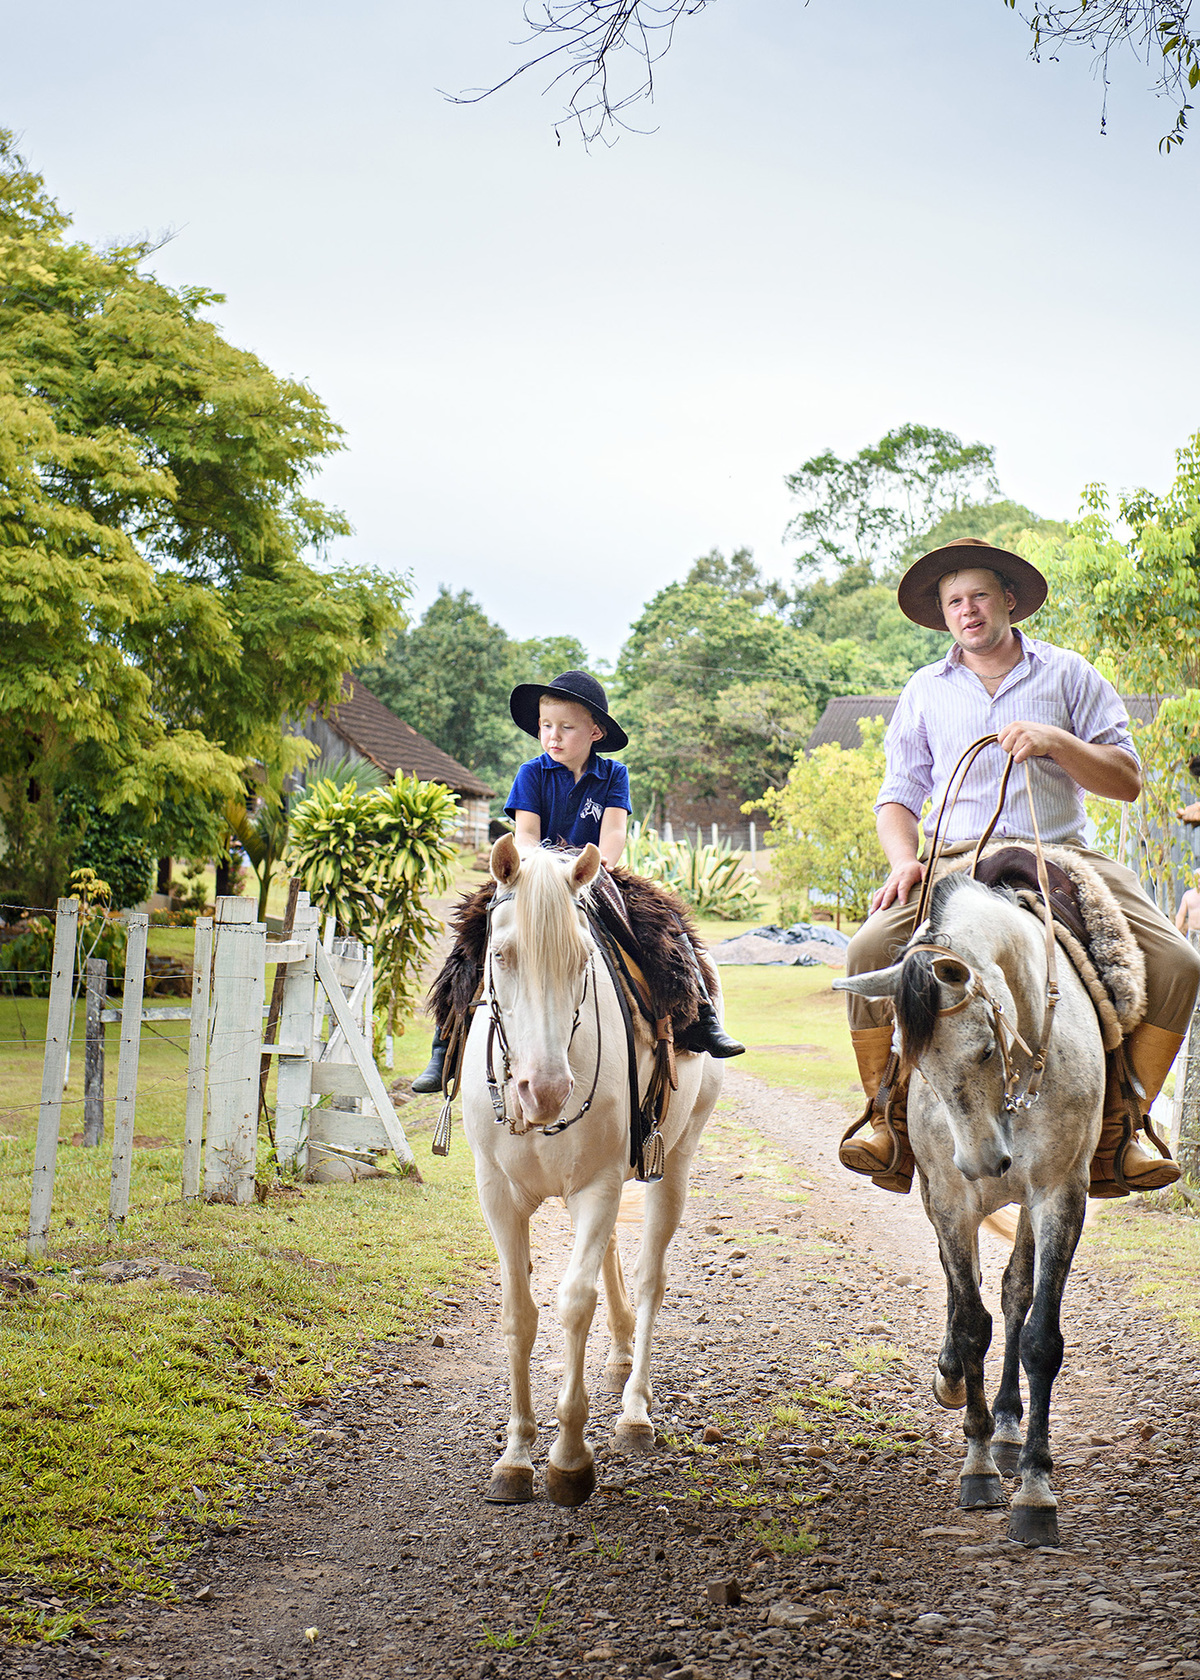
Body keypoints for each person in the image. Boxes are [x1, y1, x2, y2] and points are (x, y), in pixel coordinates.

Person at [841, 536, 1200, 1199]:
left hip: (1060, 853)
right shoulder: (925, 690)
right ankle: (885, 1124)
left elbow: (1126, 780)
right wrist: (902, 861)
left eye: (979, 595)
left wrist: (1057, 742)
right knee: (866, 952)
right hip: (956, 856)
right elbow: (897, 796)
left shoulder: (1067, 674)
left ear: (1008, 600)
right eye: (954, 601)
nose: (967, 610)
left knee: (1180, 963)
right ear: (943, 614)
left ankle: (1123, 1130)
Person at [411, 670, 743, 1093]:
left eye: (566, 727)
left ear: (595, 731)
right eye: (546, 726)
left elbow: (615, 831)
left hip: (592, 871)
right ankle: (446, 1042)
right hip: (534, 875)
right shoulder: (531, 773)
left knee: (667, 923)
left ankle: (701, 1019)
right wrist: (539, 870)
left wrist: (596, 865)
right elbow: (526, 834)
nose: (553, 736)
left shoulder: (612, 775)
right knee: (473, 932)